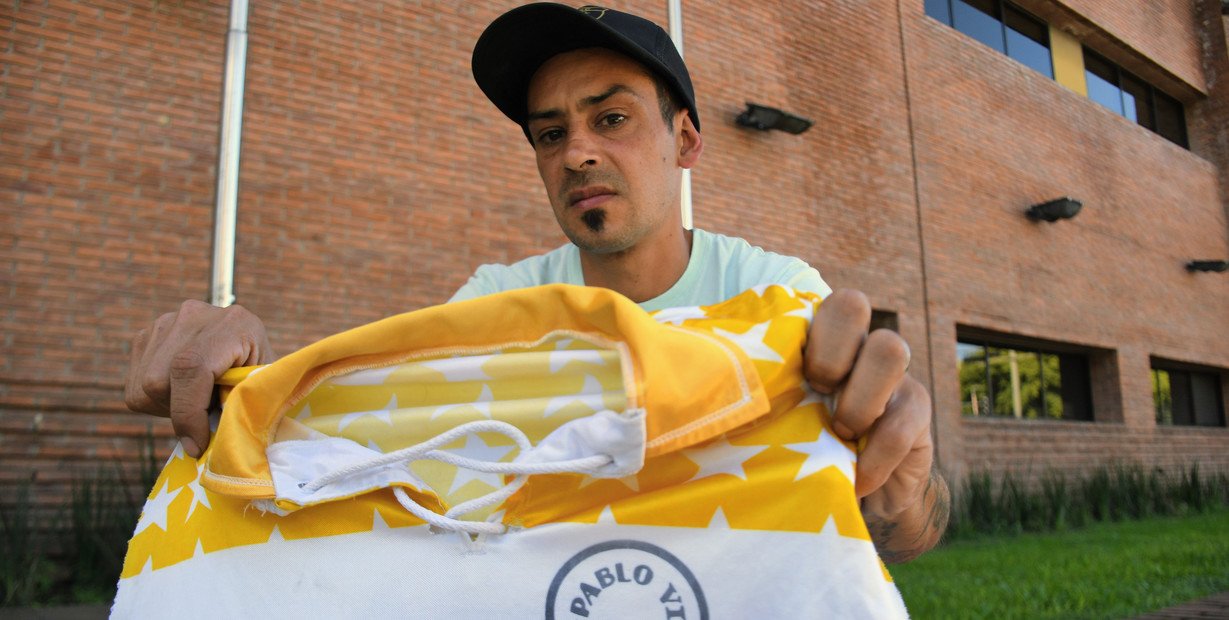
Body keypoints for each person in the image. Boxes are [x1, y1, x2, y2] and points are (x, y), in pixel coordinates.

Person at [124, 3, 949, 563]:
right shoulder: (497, 303)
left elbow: (876, 532)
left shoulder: (775, 293)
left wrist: (898, 495)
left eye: (611, 118)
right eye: (550, 133)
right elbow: (391, 441)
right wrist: (261, 383)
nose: (576, 152)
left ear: (687, 139)